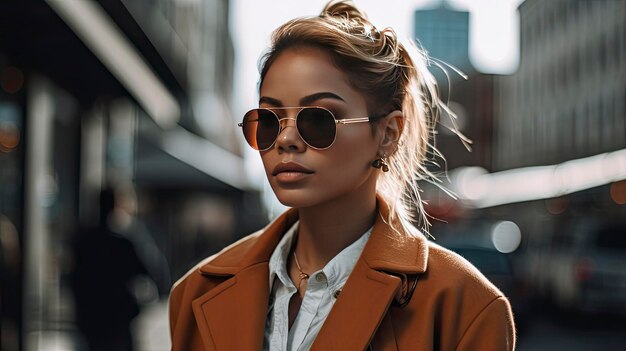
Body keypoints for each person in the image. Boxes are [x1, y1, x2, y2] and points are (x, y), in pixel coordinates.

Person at [169, 1, 516, 350]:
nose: (286, 140)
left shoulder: (465, 307)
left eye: (318, 120)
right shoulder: (196, 292)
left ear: (388, 134)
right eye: (269, 121)